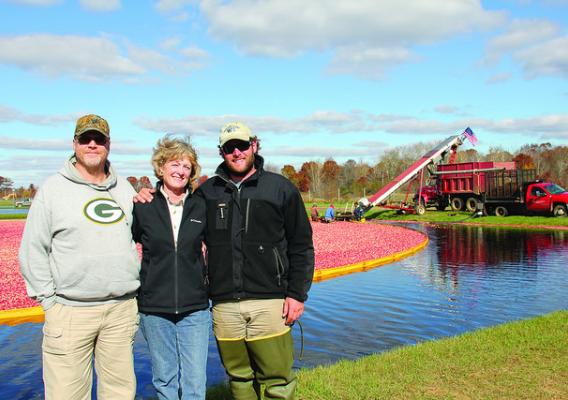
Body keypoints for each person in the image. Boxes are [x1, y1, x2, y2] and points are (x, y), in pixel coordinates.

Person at [135, 122, 314, 400]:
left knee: (277, 380)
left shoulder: (280, 188)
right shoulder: (207, 194)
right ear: (222, 152)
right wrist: (144, 193)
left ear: (254, 145)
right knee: (239, 378)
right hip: (223, 305)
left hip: (270, 302)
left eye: (242, 145)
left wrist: (297, 294)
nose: (237, 152)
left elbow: (301, 245)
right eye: (230, 148)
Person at [19, 114, 140, 399]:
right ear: (75, 143)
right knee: (67, 394)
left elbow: (143, 237)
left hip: (120, 310)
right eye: (86, 139)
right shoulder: (53, 189)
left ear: (108, 144)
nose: (92, 145)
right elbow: (32, 249)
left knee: (120, 393)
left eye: (99, 139)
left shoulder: (124, 189)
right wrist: (49, 302)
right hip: (71, 311)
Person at [132, 136, 210, 400]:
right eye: (175, 164)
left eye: (187, 167)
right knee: (165, 379)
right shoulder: (143, 205)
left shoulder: (201, 205)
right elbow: (122, 245)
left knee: (195, 381)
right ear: (161, 167)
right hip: (155, 308)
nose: (180, 171)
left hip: (195, 309)